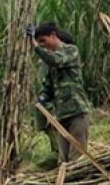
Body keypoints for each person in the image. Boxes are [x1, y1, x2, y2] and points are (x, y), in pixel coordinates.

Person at [27, 22, 92, 163]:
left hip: (77, 113)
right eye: (39, 42)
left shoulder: (70, 51)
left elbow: (56, 60)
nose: (42, 45)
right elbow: (48, 88)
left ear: (53, 35)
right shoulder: (51, 64)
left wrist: (35, 47)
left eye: (43, 41)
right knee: (63, 161)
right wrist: (42, 99)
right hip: (61, 117)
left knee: (77, 160)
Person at [32, 27, 75, 171]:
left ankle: (38, 173)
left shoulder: (60, 60)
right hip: (51, 113)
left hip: (54, 113)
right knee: (59, 153)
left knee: (62, 152)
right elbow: (45, 90)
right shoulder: (50, 66)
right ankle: (33, 172)